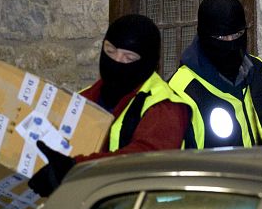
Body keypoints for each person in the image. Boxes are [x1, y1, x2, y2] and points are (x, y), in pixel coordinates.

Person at [28, 14, 190, 197]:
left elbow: (146, 159)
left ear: (148, 63)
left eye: (128, 58)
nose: (116, 62)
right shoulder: (83, 99)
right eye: (110, 51)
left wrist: (75, 170)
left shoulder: (164, 107)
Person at [168, 0, 262, 149]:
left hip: (261, 172)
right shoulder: (180, 91)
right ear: (203, 36)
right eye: (221, 38)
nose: (231, 43)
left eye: (238, 34)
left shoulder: (258, 70)